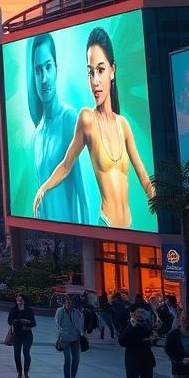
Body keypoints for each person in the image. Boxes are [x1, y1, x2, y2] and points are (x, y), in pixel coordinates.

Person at [33, 27, 155, 229]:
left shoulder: (123, 125)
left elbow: (144, 178)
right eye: (90, 72)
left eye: (100, 70)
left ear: (112, 70)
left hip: (129, 226)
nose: (95, 81)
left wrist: (169, 205)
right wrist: (43, 188)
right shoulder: (86, 119)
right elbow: (66, 165)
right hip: (106, 223)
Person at [26, 33, 91, 224]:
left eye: (48, 67)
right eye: (38, 70)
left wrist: (88, 239)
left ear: (56, 69)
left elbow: (83, 194)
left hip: (76, 241)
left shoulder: (70, 119)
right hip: (50, 240)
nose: (44, 78)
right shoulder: (36, 137)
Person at [55, 294, 85, 378]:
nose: (68, 303)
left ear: (73, 303)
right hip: (65, 339)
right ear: (64, 302)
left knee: (76, 359)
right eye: (67, 301)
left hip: (75, 339)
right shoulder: (60, 311)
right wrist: (62, 333)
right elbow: (57, 324)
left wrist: (81, 333)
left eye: (70, 301)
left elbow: (81, 324)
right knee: (68, 359)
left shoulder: (77, 312)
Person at [7, 293, 36, 378]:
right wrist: (18, 321)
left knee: (26, 354)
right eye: (18, 300)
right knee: (17, 354)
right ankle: (19, 372)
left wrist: (27, 322)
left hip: (27, 334)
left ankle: (26, 373)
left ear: (24, 300)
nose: (19, 301)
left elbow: (34, 323)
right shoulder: (13, 310)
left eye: (21, 299)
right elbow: (9, 321)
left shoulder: (28, 310)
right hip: (17, 334)